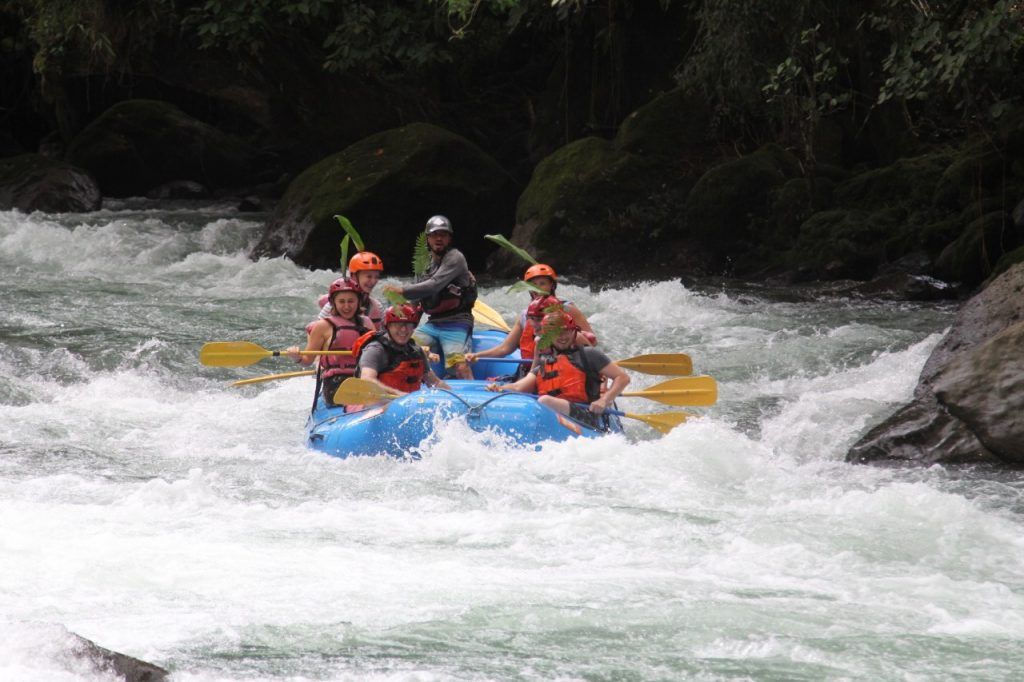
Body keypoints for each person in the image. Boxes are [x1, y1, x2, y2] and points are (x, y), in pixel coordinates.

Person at [485, 311, 629, 429]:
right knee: (538, 401)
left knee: (545, 401)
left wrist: (605, 400)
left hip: (587, 415)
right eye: (556, 332)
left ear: (574, 332)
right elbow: (520, 386)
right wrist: (500, 388)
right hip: (556, 415)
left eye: (566, 331)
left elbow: (622, 377)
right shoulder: (545, 361)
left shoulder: (589, 354)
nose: (562, 336)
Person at [383, 215, 477, 379]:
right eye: (434, 235)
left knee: (458, 365)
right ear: (428, 239)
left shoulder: (456, 258)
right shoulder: (425, 264)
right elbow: (416, 303)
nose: (439, 238)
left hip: (457, 323)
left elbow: (434, 285)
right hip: (433, 324)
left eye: (443, 235)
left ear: (449, 239)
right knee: (400, 347)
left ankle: (474, 399)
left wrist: (402, 291)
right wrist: (406, 327)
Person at [465, 264, 596, 373]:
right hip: (533, 370)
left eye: (542, 283)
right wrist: (477, 355)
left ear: (552, 285)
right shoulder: (525, 315)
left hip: (565, 369)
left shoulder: (567, 309)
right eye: (533, 285)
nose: (537, 288)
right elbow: (504, 349)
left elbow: (591, 342)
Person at [287, 278, 374, 406]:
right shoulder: (323, 326)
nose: (346, 306)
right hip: (336, 383)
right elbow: (307, 360)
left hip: (362, 379)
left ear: (358, 301)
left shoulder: (367, 323)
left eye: (351, 301)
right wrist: (297, 357)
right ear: (333, 303)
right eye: (341, 301)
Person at [353, 304, 450, 397]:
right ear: (388, 326)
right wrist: (398, 394)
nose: (403, 329)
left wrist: (455, 396)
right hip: (375, 404)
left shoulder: (416, 350)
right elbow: (367, 380)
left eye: (408, 325)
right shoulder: (375, 349)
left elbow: (435, 382)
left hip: (405, 404)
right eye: (398, 324)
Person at [318, 251, 386, 329]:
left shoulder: (378, 306)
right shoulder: (332, 306)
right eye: (369, 276)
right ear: (353, 276)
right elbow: (315, 332)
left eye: (376, 277)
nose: (373, 281)